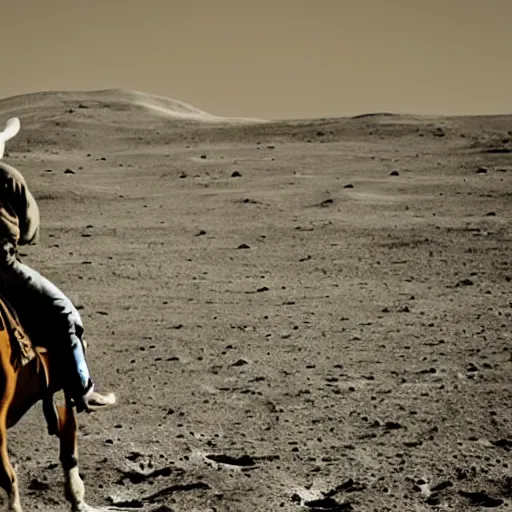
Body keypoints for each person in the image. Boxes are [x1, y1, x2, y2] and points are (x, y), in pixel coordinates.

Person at [0, 117, 95, 412]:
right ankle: (83, 389)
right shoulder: (8, 177)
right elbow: (29, 229)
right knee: (64, 312)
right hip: (3, 267)